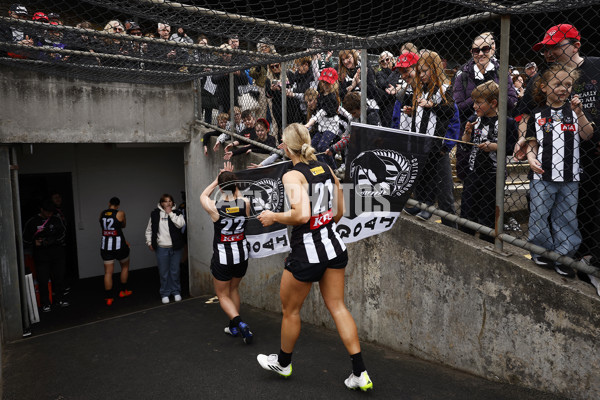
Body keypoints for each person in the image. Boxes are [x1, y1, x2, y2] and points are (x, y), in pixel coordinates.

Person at [256, 123, 372, 390]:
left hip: (306, 254)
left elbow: (301, 215)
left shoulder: (292, 175)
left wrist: (273, 216)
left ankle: (284, 363)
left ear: (286, 146)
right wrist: (323, 227)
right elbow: (340, 210)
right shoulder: (326, 167)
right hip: (334, 247)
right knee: (338, 307)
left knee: (290, 311)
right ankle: (360, 372)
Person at [513, 24, 600, 284]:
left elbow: (588, 131)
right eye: (545, 50)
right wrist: (524, 142)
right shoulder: (543, 76)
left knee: (580, 212)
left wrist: (581, 114)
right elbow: (525, 115)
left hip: (588, 158)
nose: (549, 53)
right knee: (546, 210)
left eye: (555, 47)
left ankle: (577, 258)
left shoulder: (596, 66)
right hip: (549, 161)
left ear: (576, 45)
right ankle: (547, 252)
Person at [524, 64, 594, 277]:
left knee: (567, 217)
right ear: (544, 87)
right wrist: (530, 157)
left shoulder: (574, 111)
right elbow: (532, 143)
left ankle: (564, 255)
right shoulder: (537, 114)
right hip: (542, 175)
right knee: (539, 214)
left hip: (570, 176)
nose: (564, 88)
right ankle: (541, 251)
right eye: (558, 84)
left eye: (568, 84)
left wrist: (580, 114)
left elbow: (587, 134)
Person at [403, 51, 459, 226]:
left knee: (444, 190)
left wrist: (432, 106)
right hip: (421, 145)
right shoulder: (421, 88)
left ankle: (449, 224)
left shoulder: (445, 88)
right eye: (419, 71)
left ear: (435, 69)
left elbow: (450, 113)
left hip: (437, 148)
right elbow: (425, 115)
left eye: (425, 71)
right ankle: (421, 206)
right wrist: (414, 111)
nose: (421, 75)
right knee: (421, 180)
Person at [457, 81, 518, 242]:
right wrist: (467, 133)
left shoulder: (508, 122)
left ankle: (487, 239)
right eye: (474, 102)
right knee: (468, 207)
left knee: (488, 210)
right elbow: (466, 144)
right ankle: (465, 237)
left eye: (478, 103)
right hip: (473, 171)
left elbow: (512, 147)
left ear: (493, 103)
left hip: (494, 174)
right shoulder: (474, 120)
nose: (474, 106)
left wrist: (495, 146)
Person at [200, 162, 253, 344]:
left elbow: (203, 195)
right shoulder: (245, 203)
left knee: (223, 295)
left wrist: (217, 180)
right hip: (241, 255)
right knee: (234, 289)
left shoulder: (215, 208)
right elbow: (236, 194)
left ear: (221, 188)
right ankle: (233, 327)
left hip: (223, 257)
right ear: (236, 186)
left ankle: (239, 324)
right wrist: (231, 180)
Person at [453, 32, 517, 129]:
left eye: (485, 49)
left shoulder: (502, 73)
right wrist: (480, 94)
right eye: (476, 50)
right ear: (471, 52)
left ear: (492, 50)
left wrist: (494, 90)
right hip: (469, 130)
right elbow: (458, 108)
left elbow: (512, 102)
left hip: (498, 130)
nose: (480, 54)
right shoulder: (462, 76)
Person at [22, 200, 69, 312]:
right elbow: (25, 240)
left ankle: (59, 299)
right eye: (47, 212)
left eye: (51, 212)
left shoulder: (56, 219)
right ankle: (45, 303)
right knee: (42, 279)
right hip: (41, 255)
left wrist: (52, 240)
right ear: (41, 209)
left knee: (59, 277)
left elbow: (63, 233)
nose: (50, 214)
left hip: (57, 253)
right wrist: (35, 242)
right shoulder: (32, 222)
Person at [145, 193, 186, 304]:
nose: (167, 203)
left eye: (169, 201)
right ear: (161, 203)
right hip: (161, 248)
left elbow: (181, 224)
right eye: (165, 201)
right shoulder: (155, 214)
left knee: (175, 271)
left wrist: (170, 213)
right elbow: (149, 230)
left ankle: (176, 292)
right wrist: (149, 242)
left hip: (176, 248)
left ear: (172, 202)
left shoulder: (177, 213)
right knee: (164, 272)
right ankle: (165, 293)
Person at [304, 67, 342, 168]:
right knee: (313, 146)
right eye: (324, 82)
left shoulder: (332, 97)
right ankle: (323, 166)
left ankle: (333, 168)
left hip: (331, 128)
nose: (325, 85)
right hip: (322, 127)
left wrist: (308, 124)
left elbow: (321, 113)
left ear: (334, 83)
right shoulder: (321, 94)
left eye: (328, 83)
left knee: (322, 147)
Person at [99, 197, 132, 306]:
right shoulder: (120, 213)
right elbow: (123, 225)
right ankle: (123, 291)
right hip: (119, 246)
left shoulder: (102, 213)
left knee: (108, 272)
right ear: (118, 205)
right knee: (125, 267)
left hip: (105, 246)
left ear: (109, 203)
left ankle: (109, 298)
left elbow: (104, 227)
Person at [376, 51, 399, 127]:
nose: (385, 62)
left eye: (387, 59)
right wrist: (394, 71)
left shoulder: (399, 71)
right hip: (385, 105)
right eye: (382, 61)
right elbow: (385, 85)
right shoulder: (379, 73)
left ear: (392, 59)